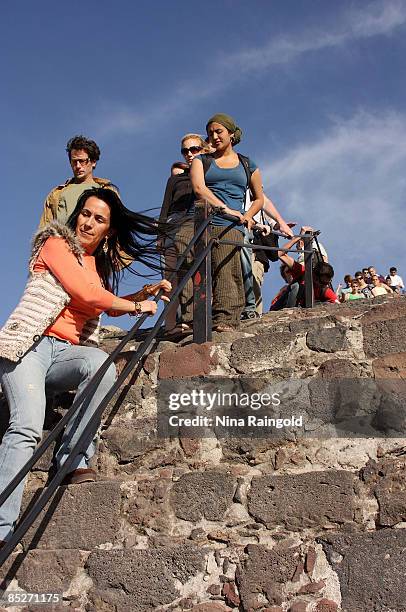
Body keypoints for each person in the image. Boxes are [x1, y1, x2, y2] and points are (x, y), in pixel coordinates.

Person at [0, 188, 171, 545]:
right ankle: (1, 528)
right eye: (86, 214)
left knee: (101, 364)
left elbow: (100, 303)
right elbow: (85, 294)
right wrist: (137, 311)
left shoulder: (95, 267)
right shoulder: (55, 243)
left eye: (99, 219)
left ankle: (74, 458)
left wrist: (139, 295)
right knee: (26, 429)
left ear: (108, 230)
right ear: (76, 214)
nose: (88, 222)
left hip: (64, 353)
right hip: (27, 347)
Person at [190, 113, 264, 332]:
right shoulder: (201, 161)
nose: (214, 136)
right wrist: (225, 208)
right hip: (203, 220)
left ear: (231, 134)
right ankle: (191, 319)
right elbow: (199, 189)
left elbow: (259, 198)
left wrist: (247, 215)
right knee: (196, 269)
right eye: (210, 132)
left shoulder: (247, 164)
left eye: (219, 131)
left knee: (227, 269)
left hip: (232, 224)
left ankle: (225, 319)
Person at [159, 134, 210, 332]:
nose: (189, 154)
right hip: (174, 226)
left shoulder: (209, 173)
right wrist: (160, 235)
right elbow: (165, 208)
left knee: (197, 268)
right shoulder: (175, 180)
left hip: (199, 222)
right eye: (185, 151)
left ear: (203, 149)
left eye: (194, 149)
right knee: (172, 275)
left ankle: (198, 316)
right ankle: (172, 325)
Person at [39, 135, 118, 227]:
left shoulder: (107, 191)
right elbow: (44, 229)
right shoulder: (56, 194)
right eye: (74, 162)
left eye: (82, 161)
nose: (78, 166)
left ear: (93, 162)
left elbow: (117, 226)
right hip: (62, 240)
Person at [277, 226, 339, 305]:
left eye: (326, 283)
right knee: (296, 286)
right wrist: (299, 237)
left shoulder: (325, 290)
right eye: (322, 282)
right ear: (314, 276)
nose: (324, 285)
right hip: (293, 305)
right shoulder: (302, 272)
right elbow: (280, 254)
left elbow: (337, 303)